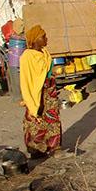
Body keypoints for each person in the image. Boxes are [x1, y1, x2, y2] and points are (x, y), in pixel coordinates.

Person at [19, 25, 61, 158]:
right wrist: (35, 97)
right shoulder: (27, 56)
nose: (46, 39)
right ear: (36, 39)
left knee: (52, 119)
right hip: (35, 92)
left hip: (49, 91)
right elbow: (26, 79)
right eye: (43, 37)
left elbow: (47, 71)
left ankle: (54, 148)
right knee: (35, 121)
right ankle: (35, 150)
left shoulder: (45, 53)